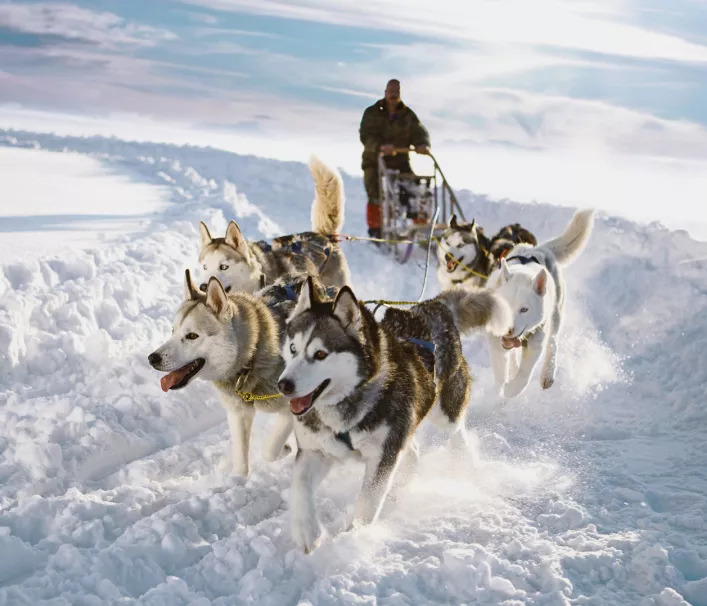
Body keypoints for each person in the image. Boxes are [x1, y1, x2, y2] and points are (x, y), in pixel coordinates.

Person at [359, 79, 431, 238]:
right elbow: (365, 136)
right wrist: (380, 147)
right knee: (375, 193)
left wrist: (422, 144)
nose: (393, 94)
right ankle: (376, 231)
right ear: (385, 92)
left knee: (415, 188)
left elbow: (419, 132)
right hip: (375, 161)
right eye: (391, 91)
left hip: (400, 161)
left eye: (396, 92)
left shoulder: (407, 115)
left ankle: (420, 228)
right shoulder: (372, 113)